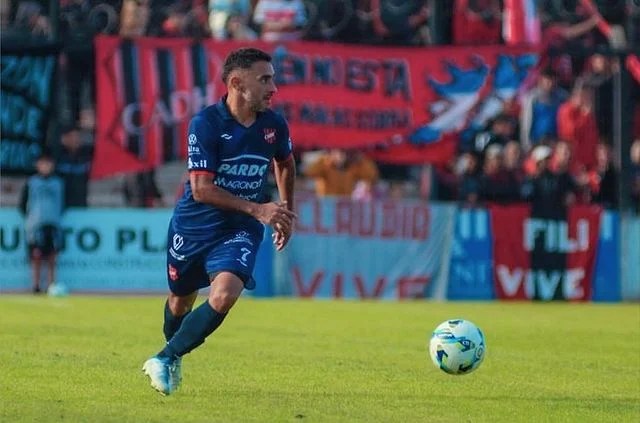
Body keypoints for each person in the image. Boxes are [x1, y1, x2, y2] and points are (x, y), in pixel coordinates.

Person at [142, 47, 297, 396]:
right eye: (265, 80)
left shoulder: (273, 125)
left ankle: (164, 358)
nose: (273, 88)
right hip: (194, 226)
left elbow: (285, 163)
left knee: (224, 295)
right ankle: (173, 353)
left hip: (240, 227)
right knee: (180, 301)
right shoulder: (207, 124)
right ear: (237, 83)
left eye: (272, 79)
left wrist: (284, 211)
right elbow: (201, 190)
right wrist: (260, 209)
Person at [19, 152, 65, 294]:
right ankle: (36, 285)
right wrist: (33, 218)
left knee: (52, 257)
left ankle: (52, 285)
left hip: (53, 224)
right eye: (43, 163)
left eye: (48, 163)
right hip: (35, 226)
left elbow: (63, 204)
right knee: (36, 256)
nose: (45, 166)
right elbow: (22, 205)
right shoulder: (31, 182)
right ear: (37, 165)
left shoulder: (58, 183)